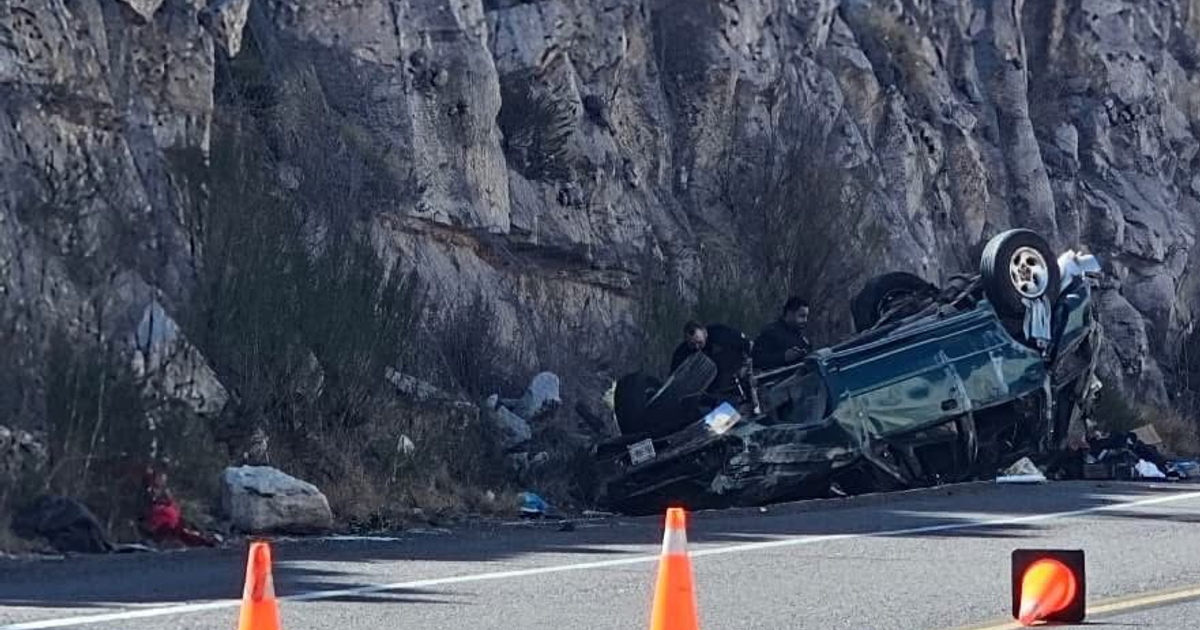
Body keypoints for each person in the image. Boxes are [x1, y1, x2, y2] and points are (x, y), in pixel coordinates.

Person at [752, 297, 812, 371]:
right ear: (789, 313)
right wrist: (784, 357)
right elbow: (756, 360)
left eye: (806, 317)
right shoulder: (770, 332)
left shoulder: (800, 336)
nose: (805, 320)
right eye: (801, 316)